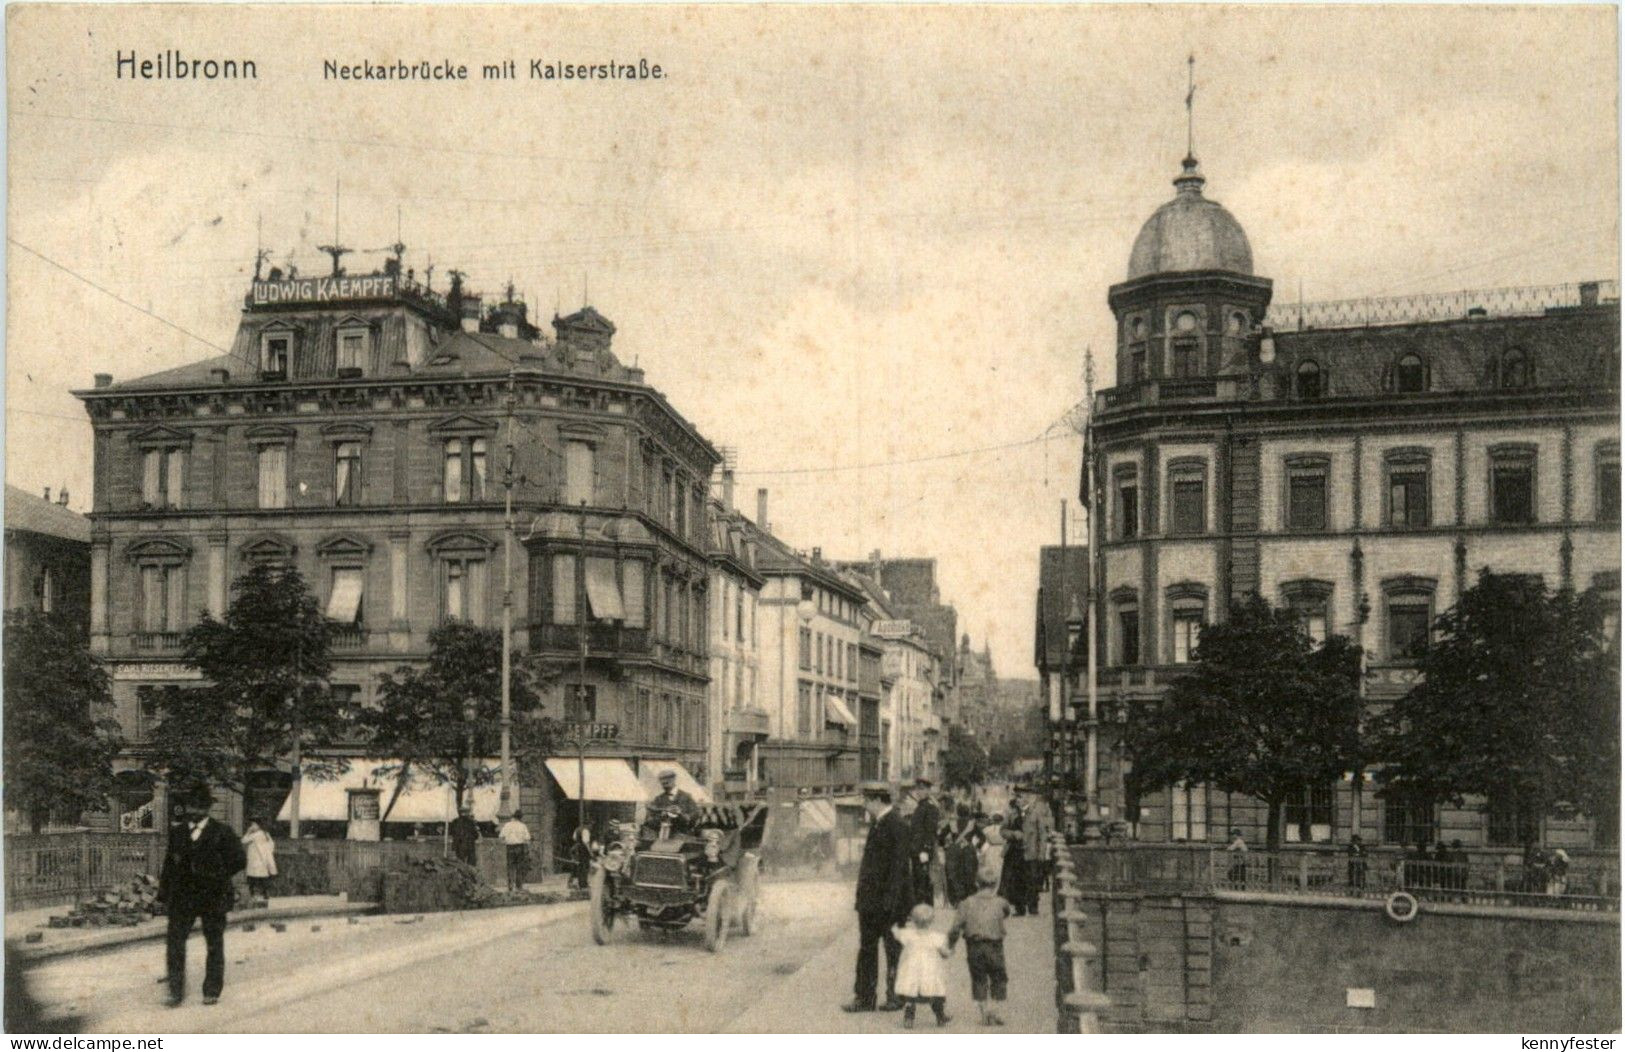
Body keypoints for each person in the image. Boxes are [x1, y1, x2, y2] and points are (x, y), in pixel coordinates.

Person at [159, 792, 245, 1007]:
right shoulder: (178, 833)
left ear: (207, 809)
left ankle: (212, 990)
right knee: (175, 942)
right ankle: (175, 991)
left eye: (198, 808)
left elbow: (239, 860)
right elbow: (169, 865)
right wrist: (163, 894)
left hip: (212, 896)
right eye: (190, 807)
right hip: (182, 897)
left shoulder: (222, 832)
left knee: (214, 943)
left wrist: (218, 874)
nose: (193, 812)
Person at [846, 784, 913, 1014]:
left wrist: (891, 903)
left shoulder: (896, 825)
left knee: (892, 949)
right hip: (871, 903)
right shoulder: (879, 824)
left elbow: (899, 869)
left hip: (888, 904)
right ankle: (865, 998)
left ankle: (896, 997)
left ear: (877, 800)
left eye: (866, 800)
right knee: (867, 949)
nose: (864, 805)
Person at [949, 870, 1014, 1027]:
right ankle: (996, 1010)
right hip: (995, 945)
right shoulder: (1001, 902)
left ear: (976, 884)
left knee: (979, 978)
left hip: (974, 946)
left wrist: (950, 944)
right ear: (995, 884)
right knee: (999, 977)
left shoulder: (966, 903)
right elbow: (1006, 912)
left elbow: (956, 927)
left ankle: (984, 1012)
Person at [891, 903, 953, 1028]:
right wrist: (948, 952)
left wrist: (894, 928)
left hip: (912, 971)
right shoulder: (936, 937)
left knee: (910, 995)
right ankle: (940, 1016)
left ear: (912, 921)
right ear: (932, 921)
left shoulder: (908, 934)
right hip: (929, 972)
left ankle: (909, 1017)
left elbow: (897, 934)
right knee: (936, 994)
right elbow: (944, 952)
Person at [908, 779, 942, 907]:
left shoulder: (931, 808)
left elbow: (930, 831)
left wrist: (926, 850)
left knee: (924, 881)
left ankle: (925, 909)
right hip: (916, 850)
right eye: (918, 789)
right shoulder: (919, 807)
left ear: (928, 790)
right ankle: (920, 908)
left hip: (923, 851)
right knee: (917, 880)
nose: (920, 792)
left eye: (922, 789)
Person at [942, 805, 984, 906]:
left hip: (954, 851)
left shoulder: (951, 823)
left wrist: (946, 847)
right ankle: (969, 898)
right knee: (969, 874)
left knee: (954, 874)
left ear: (957, 813)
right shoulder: (972, 824)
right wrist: (977, 847)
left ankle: (957, 900)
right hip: (969, 851)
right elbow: (983, 838)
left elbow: (940, 837)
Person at [1021, 790, 1053, 915]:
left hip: (1032, 852)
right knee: (1020, 880)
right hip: (1018, 853)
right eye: (1019, 796)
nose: (1021, 799)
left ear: (1031, 798)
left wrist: (1041, 854)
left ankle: (1033, 906)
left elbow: (1042, 834)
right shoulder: (1015, 813)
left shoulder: (1035, 814)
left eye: (1024, 796)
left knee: (1033, 880)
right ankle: (1021, 907)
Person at [645, 768, 699, 836]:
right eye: (663, 783)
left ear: (673, 779)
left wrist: (683, 816)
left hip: (683, 836)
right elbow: (650, 822)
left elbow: (695, 815)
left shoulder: (686, 797)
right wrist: (661, 817)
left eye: (667, 781)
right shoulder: (658, 799)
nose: (664, 785)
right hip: (663, 837)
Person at [998, 803, 1029, 914]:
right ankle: (1006, 907)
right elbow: (1002, 831)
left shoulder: (1033, 812)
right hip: (1012, 851)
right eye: (1019, 796)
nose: (1022, 799)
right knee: (1009, 879)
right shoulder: (1011, 814)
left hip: (1028, 851)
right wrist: (1013, 833)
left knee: (1025, 879)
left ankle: (1025, 906)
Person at [240, 819, 276, 905]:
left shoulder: (255, 835)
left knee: (253, 878)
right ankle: (265, 894)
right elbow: (271, 845)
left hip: (255, 860)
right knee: (262, 877)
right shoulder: (265, 834)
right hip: (262, 859)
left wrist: (248, 832)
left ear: (258, 825)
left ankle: (254, 895)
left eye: (253, 825)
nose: (252, 827)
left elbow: (243, 840)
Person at [498, 810, 532, 892]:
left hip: (509, 847)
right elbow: (527, 838)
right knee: (519, 867)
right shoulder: (523, 826)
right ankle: (518, 886)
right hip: (519, 847)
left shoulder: (507, 825)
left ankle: (510, 886)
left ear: (513, 816)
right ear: (520, 817)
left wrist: (506, 841)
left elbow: (501, 837)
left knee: (510, 867)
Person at [449, 804, 479, 869]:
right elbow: (476, 835)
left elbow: (451, 832)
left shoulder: (455, 821)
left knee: (460, 864)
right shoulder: (471, 822)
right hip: (469, 845)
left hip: (458, 845)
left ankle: (461, 877)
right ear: (467, 812)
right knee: (471, 865)